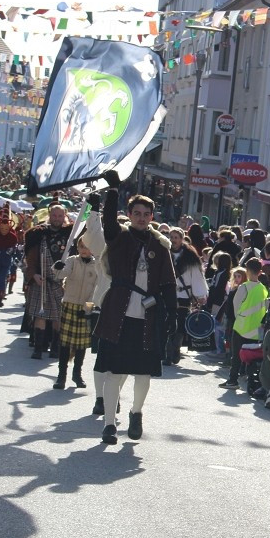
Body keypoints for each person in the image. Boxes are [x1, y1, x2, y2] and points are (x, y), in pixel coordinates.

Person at [92, 183, 177, 445]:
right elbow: (107, 222)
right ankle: (108, 424)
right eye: (137, 213)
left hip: (147, 317)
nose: (141, 217)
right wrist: (114, 191)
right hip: (118, 311)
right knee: (113, 372)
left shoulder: (161, 245)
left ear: (152, 217)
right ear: (129, 215)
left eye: (146, 214)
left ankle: (136, 412)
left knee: (143, 373)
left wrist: (172, 316)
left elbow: (168, 284)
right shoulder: (119, 238)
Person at [24, 204, 72, 359]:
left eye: (60, 216)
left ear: (64, 216)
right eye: (54, 215)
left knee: (58, 316)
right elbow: (31, 259)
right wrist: (33, 275)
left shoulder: (70, 234)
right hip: (42, 279)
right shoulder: (38, 234)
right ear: (49, 215)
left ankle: (55, 348)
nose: (57, 219)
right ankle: (38, 348)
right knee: (40, 315)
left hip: (60, 281)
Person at [52, 238, 99, 390]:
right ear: (78, 248)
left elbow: (95, 290)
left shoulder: (97, 265)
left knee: (81, 344)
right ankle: (61, 376)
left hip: (84, 308)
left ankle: (77, 373)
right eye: (81, 246)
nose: (84, 250)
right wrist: (57, 267)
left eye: (87, 247)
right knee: (65, 342)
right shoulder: (72, 261)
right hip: (69, 304)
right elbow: (61, 274)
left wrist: (87, 308)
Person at [220, 257, 267, 390]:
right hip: (256, 328)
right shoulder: (263, 288)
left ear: (247, 270)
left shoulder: (243, 287)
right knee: (251, 356)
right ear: (260, 271)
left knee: (236, 356)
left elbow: (236, 308)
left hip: (241, 327)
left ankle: (232, 380)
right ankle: (251, 382)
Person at [168, 227, 207, 365]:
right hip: (168, 293)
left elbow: (197, 276)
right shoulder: (165, 253)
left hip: (183, 294)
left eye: (176, 237)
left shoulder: (190, 256)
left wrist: (200, 294)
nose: (173, 240)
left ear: (181, 238)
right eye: (171, 237)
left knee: (180, 323)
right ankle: (168, 352)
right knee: (169, 321)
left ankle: (176, 347)